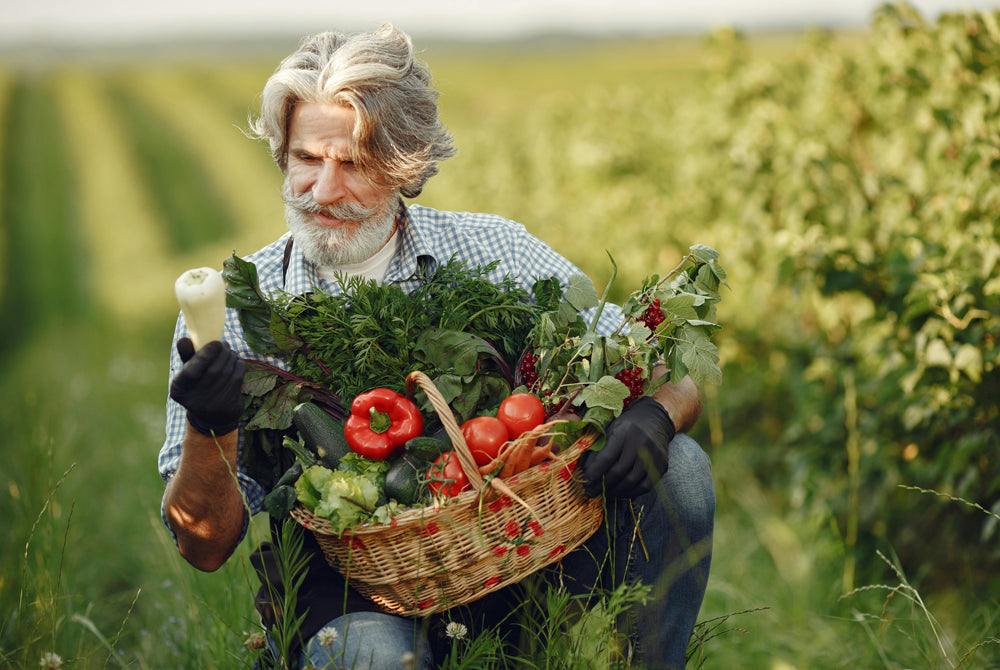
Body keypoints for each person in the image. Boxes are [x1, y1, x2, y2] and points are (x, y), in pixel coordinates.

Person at [158, 24, 714, 670]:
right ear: (284, 155)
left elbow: (673, 368)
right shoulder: (227, 314)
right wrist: (211, 426)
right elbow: (202, 544)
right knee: (371, 656)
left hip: (507, 568)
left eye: (355, 164)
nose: (325, 191)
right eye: (307, 159)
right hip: (343, 600)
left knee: (685, 470)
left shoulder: (493, 254)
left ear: (404, 166)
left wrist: (658, 412)